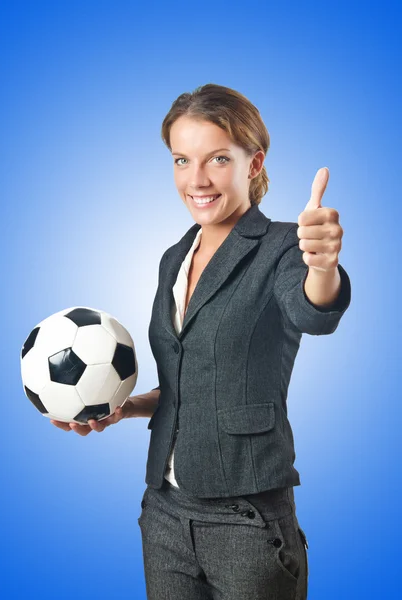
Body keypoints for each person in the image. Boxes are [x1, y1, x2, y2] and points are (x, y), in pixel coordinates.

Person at [52, 83, 351, 599]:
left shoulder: (283, 245)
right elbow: (190, 385)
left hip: (246, 517)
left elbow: (313, 311)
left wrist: (322, 265)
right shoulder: (175, 256)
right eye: (181, 159)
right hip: (164, 514)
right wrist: (124, 408)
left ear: (253, 164)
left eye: (217, 159)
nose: (196, 179)